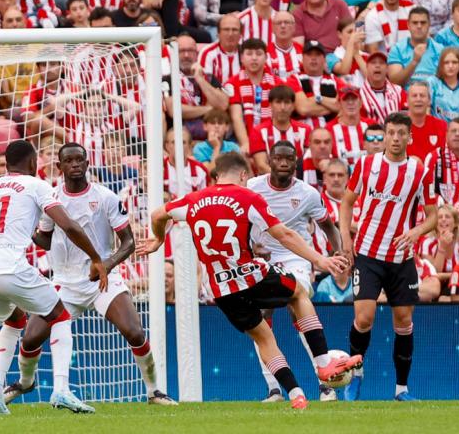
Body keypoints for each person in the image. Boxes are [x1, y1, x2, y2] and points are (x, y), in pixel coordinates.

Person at [138, 151, 362, 410]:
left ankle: (295, 394)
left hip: (219, 289)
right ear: (243, 174)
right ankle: (324, 365)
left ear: (217, 174)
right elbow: (285, 235)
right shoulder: (247, 197)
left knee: (264, 338)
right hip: (250, 276)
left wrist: (158, 239)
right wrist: (320, 260)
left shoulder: (193, 200)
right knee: (299, 294)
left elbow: (157, 215)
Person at [3, 142, 176, 411]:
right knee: (30, 339)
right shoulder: (51, 199)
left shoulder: (105, 197)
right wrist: (24, 231)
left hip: (101, 281)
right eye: (68, 161)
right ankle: (25, 382)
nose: (74, 164)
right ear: (59, 167)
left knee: (134, 332)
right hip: (63, 282)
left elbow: (128, 242)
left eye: (79, 160)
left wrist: (106, 264)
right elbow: (46, 241)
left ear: (87, 164)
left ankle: (154, 391)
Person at [0, 140, 108, 415]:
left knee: (15, 321)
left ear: (5, 165)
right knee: (60, 315)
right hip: (10, 266)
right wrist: (96, 258)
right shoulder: (36, 185)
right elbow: (68, 225)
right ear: (32, 163)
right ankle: (61, 390)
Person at [339, 112, 438, 402]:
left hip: (401, 258)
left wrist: (416, 231)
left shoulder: (419, 172)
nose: (395, 138)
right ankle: (356, 373)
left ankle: (401, 389)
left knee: (404, 321)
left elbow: (432, 216)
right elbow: (346, 203)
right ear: (384, 135)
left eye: (400, 133)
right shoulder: (367, 164)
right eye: (390, 133)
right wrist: (346, 237)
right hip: (368, 254)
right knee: (364, 318)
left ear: (410, 136)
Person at [248, 140, 344, 402]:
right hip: (262, 258)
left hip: (296, 256)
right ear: (269, 160)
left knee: (296, 299)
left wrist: (339, 251)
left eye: (289, 159)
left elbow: (327, 225)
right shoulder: (252, 188)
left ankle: (324, 384)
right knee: (261, 315)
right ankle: (275, 388)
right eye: (278, 158)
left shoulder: (308, 193)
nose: (283, 163)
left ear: (296, 163)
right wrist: (249, 245)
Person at [225, 38, 284, 153]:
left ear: (266, 57)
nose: (254, 58)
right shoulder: (232, 83)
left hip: (274, 138)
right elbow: (236, 117)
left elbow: (281, 114)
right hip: (242, 140)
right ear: (241, 58)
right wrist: (246, 143)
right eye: (249, 53)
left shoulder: (278, 83)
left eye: (258, 53)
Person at [249, 84, 311, 174]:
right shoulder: (258, 131)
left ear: (293, 105)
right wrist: (285, 178)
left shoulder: (305, 130)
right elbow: (261, 166)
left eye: (286, 102)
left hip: (299, 183)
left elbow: (308, 161)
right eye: (278, 102)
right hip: (269, 184)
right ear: (270, 105)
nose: (282, 107)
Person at [286, 40, 345, 129]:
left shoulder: (335, 81)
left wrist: (317, 99)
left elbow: (344, 107)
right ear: (302, 59)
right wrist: (333, 105)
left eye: (317, 54)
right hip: (302, 135)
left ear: (324, 59)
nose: (313, 58)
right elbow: (303, 108)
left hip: (330, 135)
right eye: (309, 54)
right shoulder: (293, 79)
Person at [418, 204, 459, 290]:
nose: (443, 219)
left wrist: (445, 276)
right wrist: (442, 248)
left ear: (455, 223)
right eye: (440, 217)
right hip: (435, 287)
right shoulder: (427, 243)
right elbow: (433, 274)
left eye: (447, 217)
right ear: (435, 224)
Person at [388, 7, 444, 88]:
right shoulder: (397, 49)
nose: (419, 26)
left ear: (429, 25)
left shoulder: (440, 50)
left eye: (423, 22)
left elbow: (446, 82)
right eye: (415, 23)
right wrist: (415, 61)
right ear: (408, 25)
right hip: (406, 97)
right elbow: (395, 82)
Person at [427, 48, 459, 123]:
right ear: (441, 65)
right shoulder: (432, 82)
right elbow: (427, 111)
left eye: (454, 62)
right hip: (438, 131)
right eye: (446, 62)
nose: (450, 66)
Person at [326, 86, 370, 166]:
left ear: (360, 103)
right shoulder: (329, 129)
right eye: (346, 99)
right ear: (339, 104)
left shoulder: (371, 125)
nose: (350, 103)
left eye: (354, 99)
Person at [360, 51, 406, 125]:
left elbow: (407, 117)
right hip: (371, 135)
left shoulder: (398, 91)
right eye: (373, 63)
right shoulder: (359, 94)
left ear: (387, 69)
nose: (377, 66)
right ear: (367, 68)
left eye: (381, 63)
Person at [162, 128, 209, 199]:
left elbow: (205, 199)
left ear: (190, 146)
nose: (178, 146)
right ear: (167, 146)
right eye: (173, 142)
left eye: (183, 142)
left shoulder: (200, 170)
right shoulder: (158, 168)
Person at [406, 81, 447, 161]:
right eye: (414, 96)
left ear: (429, 101)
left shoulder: (441, 126)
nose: (418, 99)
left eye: (422, 96)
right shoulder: (399, 127)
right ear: (407, 101)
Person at [198, 14, 242, 85]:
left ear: (240, 35)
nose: (230, 34)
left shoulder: (246, 53)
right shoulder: (207, 53)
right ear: (218, 34)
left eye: (234, 30)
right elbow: (204, 86)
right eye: (226, 29)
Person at [327, 17, 368, 89]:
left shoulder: (366, 55)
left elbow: (371, 79)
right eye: (350, 32)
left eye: (355, 31)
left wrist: (356, 54)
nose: (353, 35)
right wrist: (351, 44)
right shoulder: (331, 57)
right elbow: (344, 70)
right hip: (346, 97)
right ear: (339, 34)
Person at [266, 11, 303, 79]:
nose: (283, 26)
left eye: (287, 22)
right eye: (279, 23)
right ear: (273, 28)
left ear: (294, 27)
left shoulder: (303, 51)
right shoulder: (265, 53)